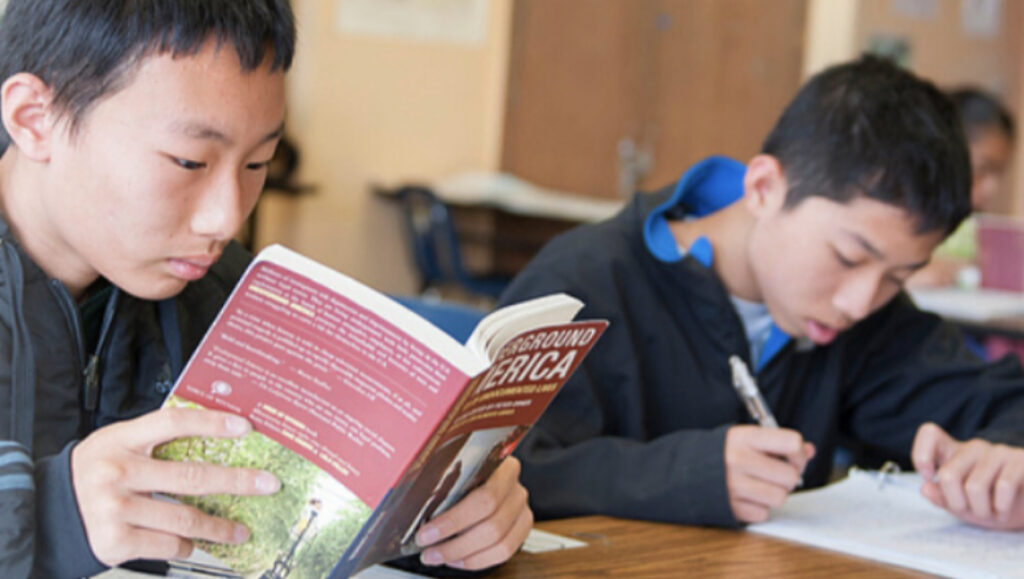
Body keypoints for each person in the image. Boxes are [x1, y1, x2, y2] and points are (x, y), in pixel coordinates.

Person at [0, 1, 530, 577]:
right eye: (188, 161)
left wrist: (450, 522)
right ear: (34, 119)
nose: (225, 220)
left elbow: (314, 525)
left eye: (257, 165)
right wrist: (52, 517)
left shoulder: (235, 302)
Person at [497, 56, 1024, 530]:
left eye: (899, 276)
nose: (859, 302)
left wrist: (1005, 459)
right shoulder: (582, 284)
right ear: (764, 188)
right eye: (847, 256)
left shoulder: (869, 320)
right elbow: (489, 473)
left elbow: (1001, 400)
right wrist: (687, 474)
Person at [908, 87, 1015, 288]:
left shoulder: (974, 227)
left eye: (998, 173)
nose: (992, 188)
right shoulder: (902, 214)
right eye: (983, 169)